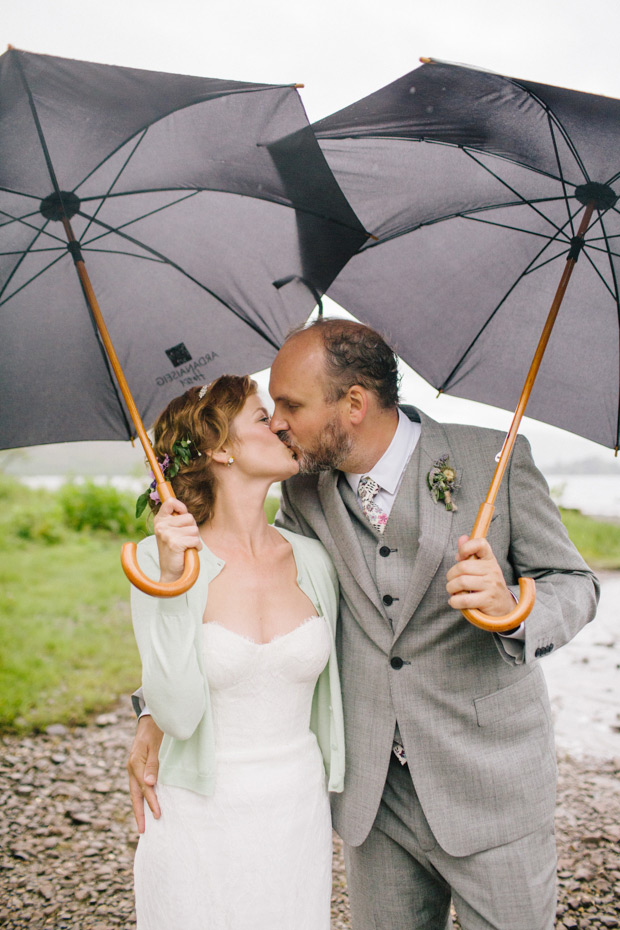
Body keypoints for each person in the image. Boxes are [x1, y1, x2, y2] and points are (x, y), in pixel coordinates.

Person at [130, 321, 599, 930]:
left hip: (489, 786)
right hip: (372, 800)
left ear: (353, 403)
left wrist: (514, 605)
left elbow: (577, 584)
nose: (278, 422)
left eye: (292, 405)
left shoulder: (492, 460)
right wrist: (151, 711)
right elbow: (240, 610)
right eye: (270, 409)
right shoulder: (304, 490)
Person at [129, 374, 345, 930]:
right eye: (259, 415)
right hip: (198, 815)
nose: (278, 423)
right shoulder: (159, 564)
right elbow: (175, 714)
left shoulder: (315, 559)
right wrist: (175, 585)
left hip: (297, 812)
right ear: (219, 448)